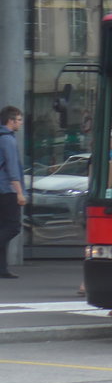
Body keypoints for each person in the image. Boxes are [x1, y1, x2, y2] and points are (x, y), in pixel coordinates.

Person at [0, 106, 27, 279]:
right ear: (11, 121)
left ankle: (2, 269)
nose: (21, 123)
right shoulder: (8, 140)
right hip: (7, 190)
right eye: (19, 119)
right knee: (13, 227)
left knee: (3, 227)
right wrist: (19, 193)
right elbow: (12, 168)